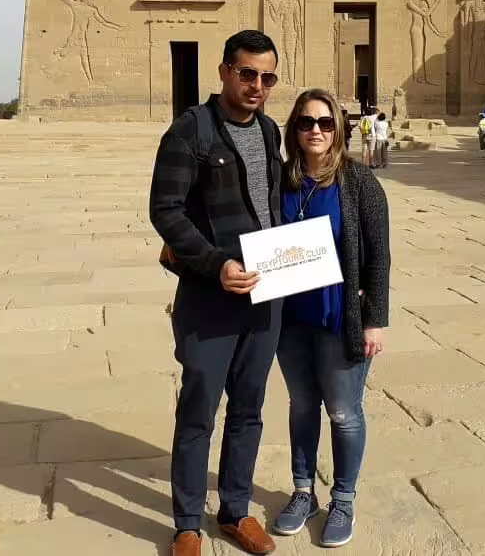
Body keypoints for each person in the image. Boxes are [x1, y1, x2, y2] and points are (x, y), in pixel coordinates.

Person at [149, 30, 284, 556]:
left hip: (265, 295)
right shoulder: (191, 131)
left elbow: (269, 205)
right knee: (200, 409)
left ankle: (234, 510)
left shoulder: (270, 130)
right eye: (247, 73)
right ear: (225, 71)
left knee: (249, 408)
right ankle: (186, 522)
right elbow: (166, 211)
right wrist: (214, 263)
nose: (256, 85)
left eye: (266, 77)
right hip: (210, 295)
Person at [272, 88, 390, 548]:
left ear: (338, 127)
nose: (315, 130)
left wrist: (375, 320)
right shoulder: (282, 180)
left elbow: (378, 256)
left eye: (324, 122)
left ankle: (343, 498)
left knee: (343, 412)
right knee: (302, 405)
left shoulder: (360, 183)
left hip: (341, 316)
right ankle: (304, 491)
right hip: (292, 318)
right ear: (294, 129)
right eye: (306, 122)